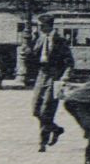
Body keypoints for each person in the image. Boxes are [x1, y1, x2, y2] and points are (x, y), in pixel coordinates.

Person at [25, 13, 74, 152]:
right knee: (35, 110)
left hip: (54, 76)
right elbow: (33, 57)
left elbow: (70, 62)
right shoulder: (39, 39)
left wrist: (64, 77)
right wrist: (28, 50)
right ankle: (56, 129)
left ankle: (42, 142)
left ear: (49, 25)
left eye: (42, 26)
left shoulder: (60, 41)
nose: (39, 28)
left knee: (47, 110)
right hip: (41, 75)